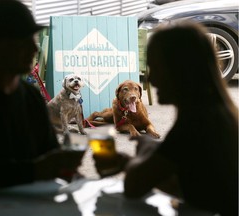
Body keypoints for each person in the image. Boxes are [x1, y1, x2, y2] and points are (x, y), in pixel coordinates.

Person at [94, 21, 238, 216]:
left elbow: (134, 185)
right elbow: (186, 181)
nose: (150, 81)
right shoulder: (216, 112)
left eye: (157, 68)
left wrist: (128, 160)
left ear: (181, 71)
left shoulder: (195, 122)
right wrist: (154, 152)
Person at [0, 0, 84, 195]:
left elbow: (51, 156)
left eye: (32, 38)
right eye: (22, 41)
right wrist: (34, 171)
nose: (34, 48)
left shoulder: (32, 97)